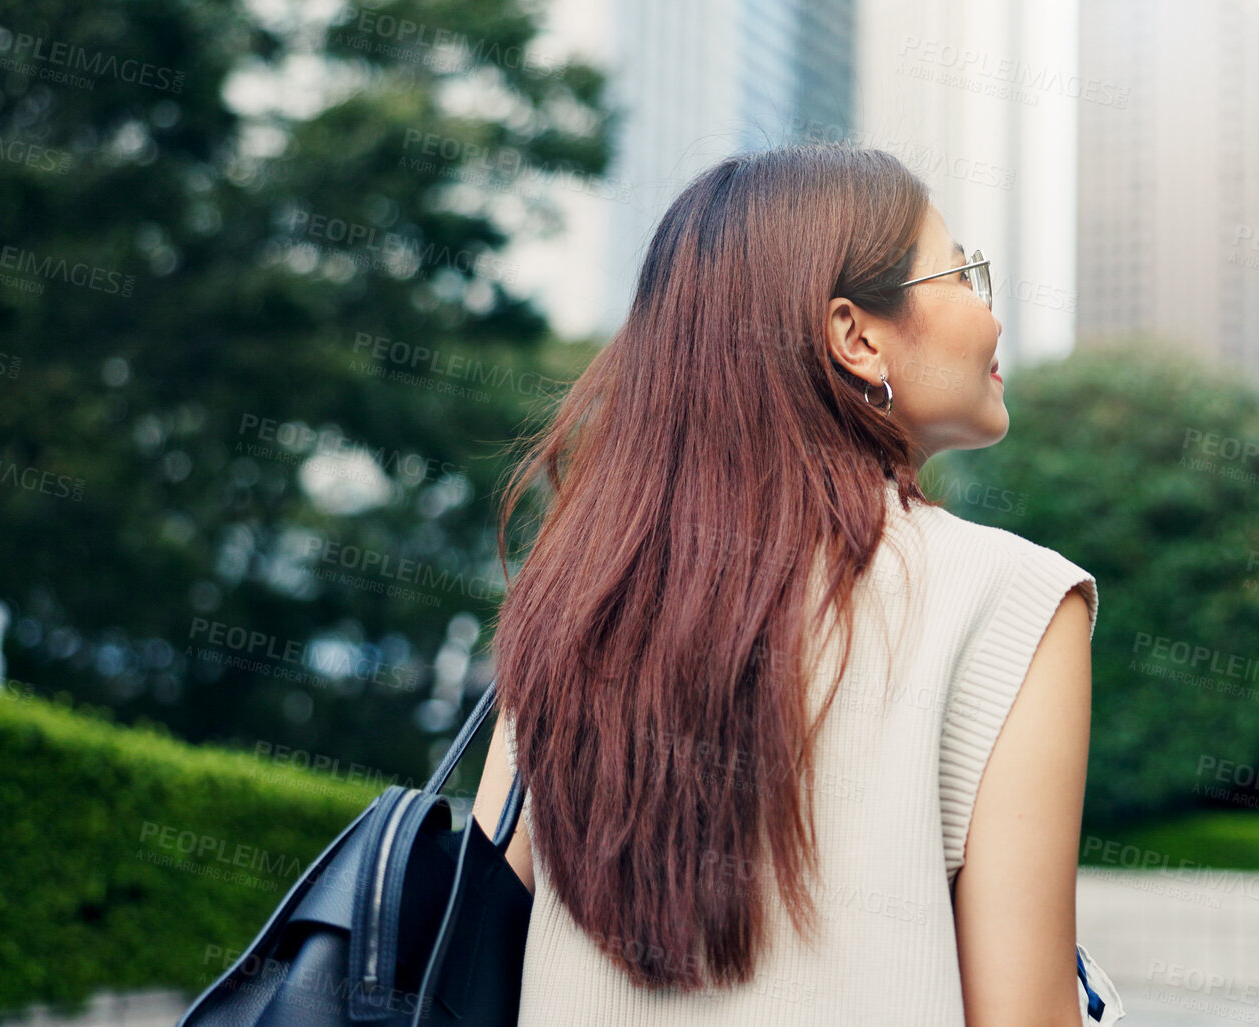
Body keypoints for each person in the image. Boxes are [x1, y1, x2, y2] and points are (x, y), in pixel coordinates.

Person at [469, 143, 1101, 1026]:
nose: (992, 318)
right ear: (855, 335)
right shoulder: (1013, 597)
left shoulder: (579, 594)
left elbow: (484, 920)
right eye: (962, 275)